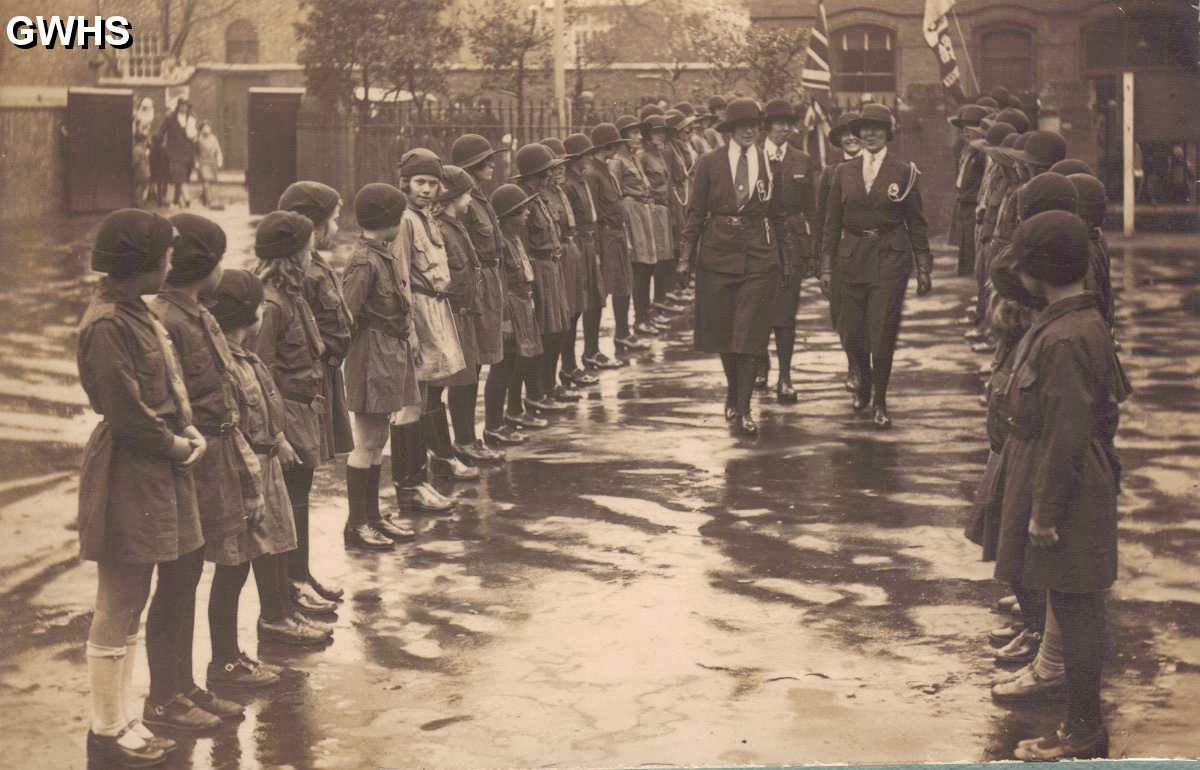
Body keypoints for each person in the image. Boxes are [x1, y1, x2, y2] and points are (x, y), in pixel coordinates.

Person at [991, 210, 1130, 760]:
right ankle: (1081, 727)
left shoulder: (1066, 337)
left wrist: (1045, 511)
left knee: (1076, 607)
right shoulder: (1070, 320)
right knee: (1072, 603)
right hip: (1064, 476)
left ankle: (1083, 733)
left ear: (1038, 270)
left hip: (1065, 485)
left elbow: (1068, 433)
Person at [78, 209, 198, 767]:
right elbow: (125, 411)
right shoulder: (107, 325)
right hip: (130, 464)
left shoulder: (136, 313)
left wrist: (186, 426)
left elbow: (165, 389)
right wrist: (175, 444)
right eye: (164, 255)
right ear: (138, 264)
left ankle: (123, 717)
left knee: (135, 597)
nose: (171, 263)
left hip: (150, 463)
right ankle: (106, 728)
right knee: (119, 597)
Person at [148, 213, 257, 731]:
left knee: (190, 571)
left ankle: (185, 686)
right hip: (189, 458)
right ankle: (165, 698)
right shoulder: (168, 318)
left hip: (212, 453)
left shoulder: (193, 310)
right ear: (205, 265)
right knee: (177, 578)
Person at [208, 269, 329, 647]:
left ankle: (279, 614)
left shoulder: (246, 358)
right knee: (235, 567)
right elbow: (234, 424)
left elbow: (265, 405)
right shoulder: (227, 365)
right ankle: (234, 649)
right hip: (247, 470)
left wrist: (279, 439)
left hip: (267, 462)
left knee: (276, 541)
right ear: (250, 314)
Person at [820, 103, 933, 429]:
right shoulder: (843, 173)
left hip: (890, 255)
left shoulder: (904, 171)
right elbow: (831, 224)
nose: (870, 134)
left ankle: (880, 401)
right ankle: (864, 383)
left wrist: (923, 266)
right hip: (851, 257)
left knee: (882, 330)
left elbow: (917, 222)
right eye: (865, 128)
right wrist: (826, 267)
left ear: (888, 134)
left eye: (877, 128)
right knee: (852, 332)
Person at [679, 98, 785, 436]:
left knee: (751, 331)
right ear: (731, 130)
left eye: (755, 125)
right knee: (724, 331)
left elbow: (780, 213)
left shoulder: (770, 162)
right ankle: (732, 390)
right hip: (717, 252)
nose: (750, 131)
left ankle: (743, 407)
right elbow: (695, 212)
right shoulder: (709, 163)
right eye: (743, 126)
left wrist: (789, 257)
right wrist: (685, 257)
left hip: (758, 254)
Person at [277, 181, 353, 608]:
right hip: (303, 387)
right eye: (332, 219)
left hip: (320, 382)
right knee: (297, 488)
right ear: (311, 224)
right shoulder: (296, 275)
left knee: (304, 485)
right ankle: (293, 580)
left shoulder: (313, 265)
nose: (337, 226)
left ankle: (301, 573)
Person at [341, 182, 423, 550]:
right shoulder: (364, 261)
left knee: (379, 439)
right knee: (368, 440)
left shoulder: (382, 253)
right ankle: (357, 524)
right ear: (389, 220)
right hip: (372, 357)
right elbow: (348, 315)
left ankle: (372, 517)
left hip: (389, 354)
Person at [399, 148, 475, 497]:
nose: (427, 189)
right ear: (405, 183)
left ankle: (434, 462)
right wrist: (410, 329)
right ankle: (414, 479)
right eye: (420, 182)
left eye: (432, 183)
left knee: (431, 391)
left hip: (437, 308)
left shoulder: (427, 217)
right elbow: (401, 277)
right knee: (416, 398)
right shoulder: (405, 221)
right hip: (419, 311)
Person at [449, 133, 526, 448]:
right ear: (470, 166)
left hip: (492, 283)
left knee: (489, 357)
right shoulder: (464, 204)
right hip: (475, 288)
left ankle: (486, 430)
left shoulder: (480, 197)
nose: (492, 164)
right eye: (485, 160)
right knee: (469, 367)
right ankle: (465, 440)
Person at [437, 167, 507, 461]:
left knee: (471, 373)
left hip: (466, 308)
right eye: (466, 194)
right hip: (452, 312)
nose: (470, 200)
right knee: (460, 379)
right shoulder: (442, 228)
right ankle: (462, 441)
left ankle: (467, 438)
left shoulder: (455, 225)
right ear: (454, 196)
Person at [755, 99, 818, 401]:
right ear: (766, 126)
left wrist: (815, 253)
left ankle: (785, 376)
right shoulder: (751, 158)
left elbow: (812, 208)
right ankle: (761, 364)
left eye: (788, 123)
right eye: (777, 123)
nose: (783, 129)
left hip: (791, 244)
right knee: (757, 309)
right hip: (757, 242)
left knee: (786, 312)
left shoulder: (802, 160)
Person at [513, 143, 573, 417]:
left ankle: (547, 387)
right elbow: (522, 245)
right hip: (537, 270)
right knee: (542, 334)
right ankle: (535, 392)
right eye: (543, 174)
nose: (549, 177)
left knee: (557, 330)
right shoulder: (522, 202)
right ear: (532, 177)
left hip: (552, 267)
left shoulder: (541, 198)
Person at [540, 137, 598, 394]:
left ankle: (569, 365)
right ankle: (549, 379)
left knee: (574, 313)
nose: (561, 169)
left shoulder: (560, 191)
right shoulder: (541, 196)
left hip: (570, 251)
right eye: (554, 167)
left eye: (563, 164)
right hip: (558, 256)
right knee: (559, 319)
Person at [813, 111, 862, 394]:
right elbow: (822, 221)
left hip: (872, 252)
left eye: (856, 132)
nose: (851, 138)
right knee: (843, 315)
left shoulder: (880, 169)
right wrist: (823, 264)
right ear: (839, 140)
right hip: (842, 253)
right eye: (845, 134)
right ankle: (854, 365)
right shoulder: (831, 173)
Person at [491, 183, 545, 431]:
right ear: (508, 216)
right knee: (505, 366)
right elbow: (501, 283)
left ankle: (514, 410)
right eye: (521, 211)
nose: (527, 214)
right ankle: (495, 422)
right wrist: (504, 318)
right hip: (511, 305)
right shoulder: (500, 243)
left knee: (521, 361)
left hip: (523, 302)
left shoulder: (515, 237)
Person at [586, 122, 636, 368]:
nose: (617, 147)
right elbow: (594, 214)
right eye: (613, 144)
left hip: (616, 236)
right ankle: (591, 350)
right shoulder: (593, 174)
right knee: (599, 295)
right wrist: (597, 250)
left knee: (622, 286)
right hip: (605, 238)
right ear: (604, 146)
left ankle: (622, 334)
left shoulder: (605, 170)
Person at [561, 132, 610, 381]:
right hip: (578, 244)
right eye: (586, 155)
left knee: (595, 298)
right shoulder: (568, 184)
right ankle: (568, 365)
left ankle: (591, 351)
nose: (590, 158)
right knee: (575, 306)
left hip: (590, 243)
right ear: (575, 158)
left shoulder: (582, 180)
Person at [611, 115, 658, 345]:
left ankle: (643, 316)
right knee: (637, 268)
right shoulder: (618, 161)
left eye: (639, 133)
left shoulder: (634, 158)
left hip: (642, 209)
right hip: (631, 211)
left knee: (647, 265)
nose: (639, 137)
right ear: (623, 136)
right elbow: (616, 194)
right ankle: (633, 323)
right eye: (634, 133)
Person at [638, 114, 683, 322]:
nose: (661, 136)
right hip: (652, 210)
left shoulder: (660, 154)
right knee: (653, 263)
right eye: (656, 132)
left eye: (663, 132)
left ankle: (658, 303)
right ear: (647, 135)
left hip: (664, 209)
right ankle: (649, 311)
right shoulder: (643, 156)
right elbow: (644, 186)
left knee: (664, 259)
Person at [949, 105, 989, 277]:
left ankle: (973, 272)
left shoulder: (982, 154)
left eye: (970, 127)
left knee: (973, 238)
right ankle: (966, 270)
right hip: (965, 200)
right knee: (965, 238)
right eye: (963, 128)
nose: (965, 132)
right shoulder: (967, 151)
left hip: (974, 202)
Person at [159, 99, 195, 207]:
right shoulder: (170, 118)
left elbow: (193, 135)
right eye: (182, 105)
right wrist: (162, 145)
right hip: (174, 152)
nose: (184, 108)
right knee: (176, 175)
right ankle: (179, 199)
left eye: (186, 106)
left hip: (187, 153)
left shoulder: (190, 119)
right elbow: (161, 131)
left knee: (182, 176)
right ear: (178, 106)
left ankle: (176, 199)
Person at [194, 122, 223, 208]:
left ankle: (205, 199)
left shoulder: (214, 138)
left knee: (211, 182)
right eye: (205, 128)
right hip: (203, 162)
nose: (207, 129)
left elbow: (218, 150)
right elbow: (195, 152)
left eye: (208, 127)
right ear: (201, 129)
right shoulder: (198, 139)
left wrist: (219, 160)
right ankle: (209, 201)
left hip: (212, 162)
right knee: (206, 181)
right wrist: (196, 162)